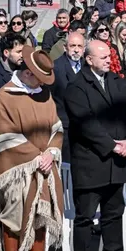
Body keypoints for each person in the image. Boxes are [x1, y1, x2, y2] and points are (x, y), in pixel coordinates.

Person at [0, 44, 64, 251]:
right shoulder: (4, 96)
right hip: (16, 170)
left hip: (45, 167)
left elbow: (56, 126)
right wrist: (35, 157)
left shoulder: (44, 94)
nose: (42, 84)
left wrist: (51, 152)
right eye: (39, 78)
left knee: (42, 215)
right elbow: (4, 135)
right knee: (14, 217)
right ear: (27, 73)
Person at [64, 40, 126, 251]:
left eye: (109, 56)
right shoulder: (77, 86)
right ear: (89, 60)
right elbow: (85, 123)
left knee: (114, 212)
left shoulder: (116, 82)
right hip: (91, 161)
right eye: (103, 57)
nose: (109, 60)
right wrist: (112, 145)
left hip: (117, 160)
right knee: (85, 217)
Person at [52, 31, 85, 161]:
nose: (76, 50)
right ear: (65, 47)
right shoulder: (55, 68)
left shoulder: (88, 66)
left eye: (79, 46)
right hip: (65, 125)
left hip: (85, 124)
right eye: (72, 46)